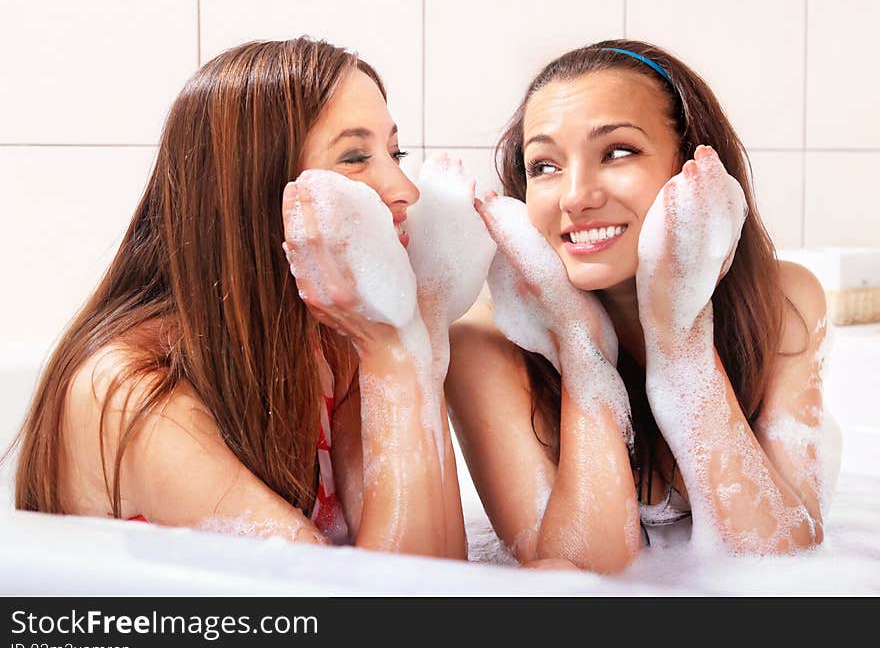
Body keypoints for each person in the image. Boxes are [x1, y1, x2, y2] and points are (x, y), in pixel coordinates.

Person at [11, 38, 466, 558]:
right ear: (256, 188)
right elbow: (381, 618)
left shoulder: (330, 341)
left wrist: (418, 337)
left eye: (394, 151)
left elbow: (443, 572)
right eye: (356, 157)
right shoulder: (132, 394)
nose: (405, 186)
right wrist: (394, 350)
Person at [446, 39, 839, 573]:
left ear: (690, 164)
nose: (574, 196)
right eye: (544, 165)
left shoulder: (785, 302)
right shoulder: (484, 345)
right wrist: (579, 348)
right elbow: (578, 576)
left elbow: (781, 560)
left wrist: (682, 339)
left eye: (617, 152)